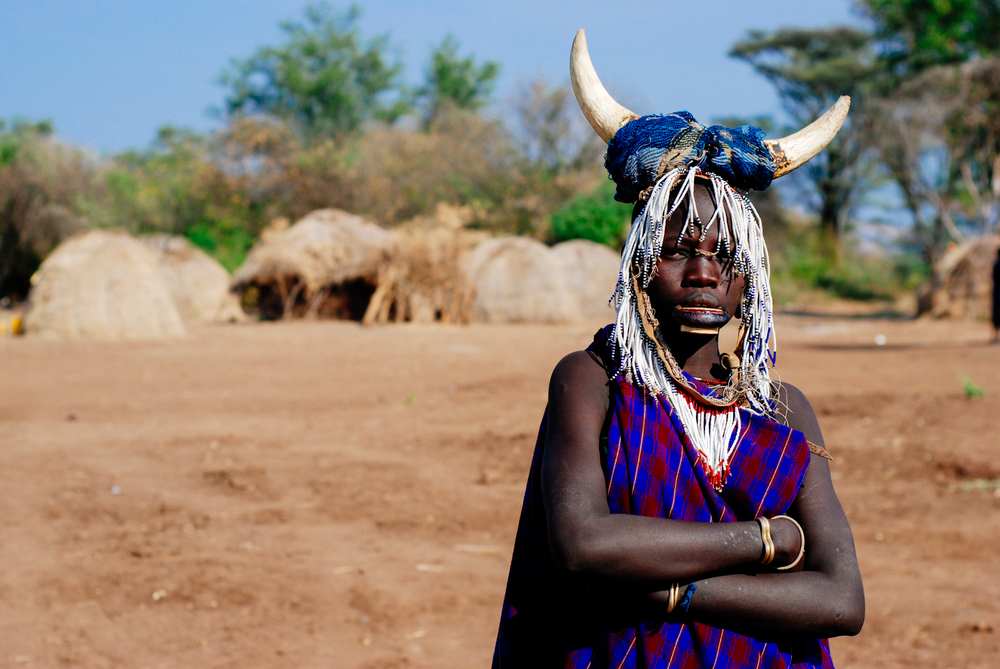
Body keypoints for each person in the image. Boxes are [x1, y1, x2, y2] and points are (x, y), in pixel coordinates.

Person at [492, 31, 864, 668]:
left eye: (727, 256)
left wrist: (672, 590)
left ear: (753, 279)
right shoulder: (591, 381)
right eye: (676, 250)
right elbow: (584, 544)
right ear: (639, 264)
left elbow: (840, 600)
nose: (702, 273)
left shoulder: (783, 409)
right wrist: (767, 541)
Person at [992, 248, 1000, 343]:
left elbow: (993, 278)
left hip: (997, 293)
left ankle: (995, 336)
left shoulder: (996, 264)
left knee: (996, 314)